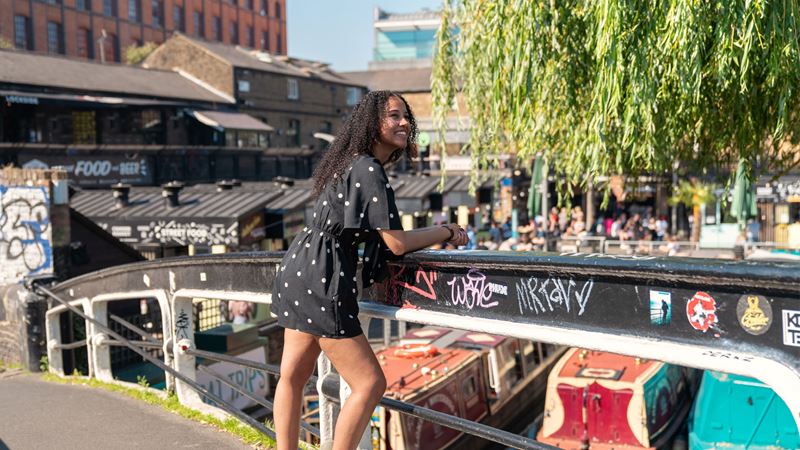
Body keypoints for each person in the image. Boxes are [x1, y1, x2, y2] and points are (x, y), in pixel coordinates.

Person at [271, 90, 468, 450]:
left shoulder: (349, 162)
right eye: (394, 116)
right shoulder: (367, 169)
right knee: (369, 383)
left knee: (292, 377)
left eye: (406, 116)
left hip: (299, 265)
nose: (404, 122)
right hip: (323, 274)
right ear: (372, 123)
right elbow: (395, 244)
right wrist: (447, 231)